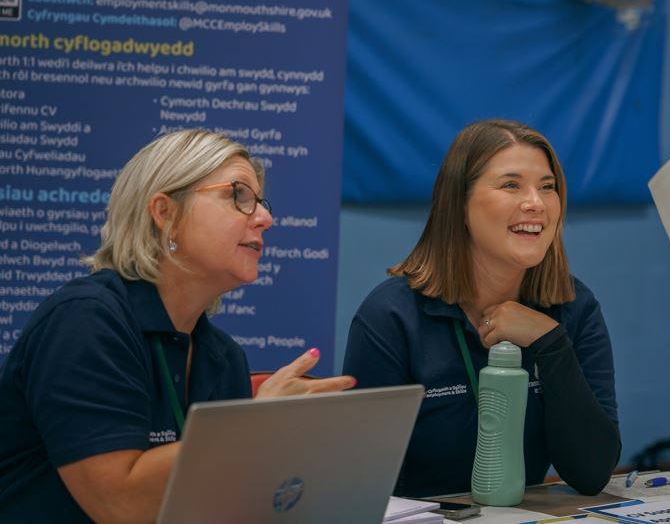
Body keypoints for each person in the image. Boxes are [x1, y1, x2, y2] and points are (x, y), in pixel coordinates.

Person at [0, 129, 355, 523]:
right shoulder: (85, 321)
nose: (266, 219)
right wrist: (257, 425)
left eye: (260, 203)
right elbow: (121, 505)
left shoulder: (221, 356)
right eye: (238, 196)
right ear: (164, 212)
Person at [343, 119, 621, 498]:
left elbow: (591, 472)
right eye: (511, 185)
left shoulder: (574, 307)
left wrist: (550, 342)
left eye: (547, 187)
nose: (535, 203)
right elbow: (356, 483)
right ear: (458, 203)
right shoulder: (391, 316)